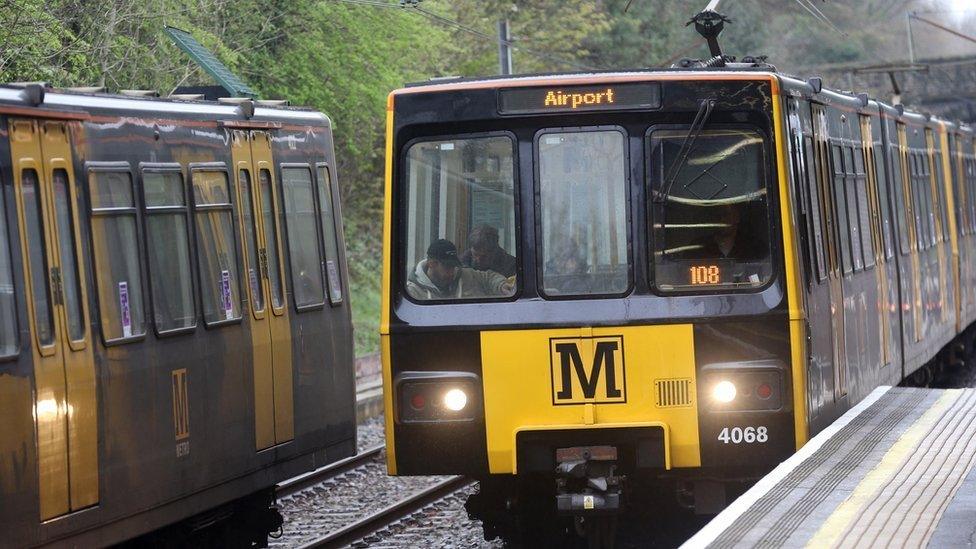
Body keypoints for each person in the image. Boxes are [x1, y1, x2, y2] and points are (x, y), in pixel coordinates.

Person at [407, 239, 514, 300]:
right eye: (447, 267)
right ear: (431, 264)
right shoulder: (413, 294)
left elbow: (489, 277)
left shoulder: (467, 275)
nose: (452, 272)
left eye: (454, 266)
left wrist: (501, 285)